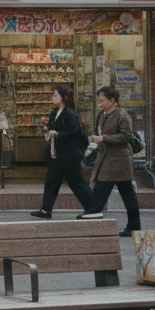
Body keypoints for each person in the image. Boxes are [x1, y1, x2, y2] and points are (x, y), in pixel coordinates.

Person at [78, 86, 141, 236]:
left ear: (112, 101)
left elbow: (127, 136)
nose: (99, 102)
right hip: (107, 159)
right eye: (98, 100)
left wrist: (104, 138)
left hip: (120, 161)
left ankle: (132, 226)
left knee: (124, 194)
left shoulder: (122, 115)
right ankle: (92, 213)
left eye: (102, 100)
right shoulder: (103, 114)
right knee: (103, 189)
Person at [31, 84, 93, 219]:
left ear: (64, 97)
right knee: (51, 182)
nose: (53, 98)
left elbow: (74, 131)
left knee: (77, 183)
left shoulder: (69, 113)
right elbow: (54, 128)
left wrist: (58, 133)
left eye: (55, 95)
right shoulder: (55, 112)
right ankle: (45, 210)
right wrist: (46, 128)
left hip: (69, 155)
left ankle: (93, 208)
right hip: (56, 155)